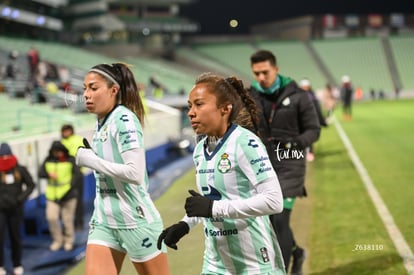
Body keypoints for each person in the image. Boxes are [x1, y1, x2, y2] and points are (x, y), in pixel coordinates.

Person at [158, 73, 286, 274]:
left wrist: (214, 208)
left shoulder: (245, 143)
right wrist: (184, 225)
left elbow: (274, 201)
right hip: (215, 265)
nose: (191, 112)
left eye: (199, 105)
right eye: (190, 106)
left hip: (255, 265)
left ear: (225, 109)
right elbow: (209, 202)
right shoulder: (200, 150)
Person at [75, 63, 169, 275]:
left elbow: (135, 173)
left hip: (135, 220)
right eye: (84, 88)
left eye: (93, 88)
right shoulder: (101, 122)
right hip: (104, 221)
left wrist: (91, 160)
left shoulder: (124, 119)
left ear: (113, 90)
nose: (86, 94)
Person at [248, 50, 321, 275]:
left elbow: (313, 130)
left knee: (280, 220)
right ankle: (297, 252)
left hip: (291, 165)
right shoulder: (249, 97)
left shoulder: (299, 96)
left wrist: (297, 143)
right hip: (262, 168)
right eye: (256, 73)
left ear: (276, 69)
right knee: (270, 223)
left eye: (265, 72)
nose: (261, 77)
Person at [39, 140, 81, 252]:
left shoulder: (71, 160)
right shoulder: (48, 160)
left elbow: (77, 175)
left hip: (69, 196)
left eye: (59, 151)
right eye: (55, 152)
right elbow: (40, 173)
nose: (57, 154)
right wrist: (48, 175)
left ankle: (69, 241)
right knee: (51, 218)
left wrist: (70, 187)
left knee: (67, 220)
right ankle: (58, 240)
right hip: (52, 196)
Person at [0, 143, 35, 275]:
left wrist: (20, 199)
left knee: (16, 237)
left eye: (6, 156)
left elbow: (31, 185)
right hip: (1, 211)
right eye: (2, 156)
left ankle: (17, 264)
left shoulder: (19, 169)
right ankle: (1, 265)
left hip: (15, 210)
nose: (4, 159)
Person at [61, 124, 85, 230]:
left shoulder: (78, 140)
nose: (65, 133)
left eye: (67, 131)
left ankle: (79, 222)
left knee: (78, 199)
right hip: (65, 176)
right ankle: (68, 225)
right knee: (67, 202)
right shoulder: (61, 143)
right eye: (64, 131)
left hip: (77, 174)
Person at [299, 78, 327, 162]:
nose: (305, 88)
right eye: (303, 87)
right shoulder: (297, 96)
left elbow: (317, 109)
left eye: (306, 87)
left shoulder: (312, 96)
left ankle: (310, 152)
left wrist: (320, 120)